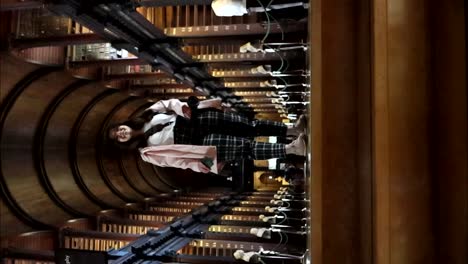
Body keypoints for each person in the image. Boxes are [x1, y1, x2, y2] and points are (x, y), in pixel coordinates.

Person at [108, 97, 306, 174]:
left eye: (119, 129)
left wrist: (182, 107)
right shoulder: (147, 153)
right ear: (123, 143)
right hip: (197, 144)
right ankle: (291, 149)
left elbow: (169, 104)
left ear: (123, 124)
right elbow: (178, 161)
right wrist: (208, 166)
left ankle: (292, 130)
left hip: (196, 120)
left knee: (248, 125)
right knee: (245, 147)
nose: (121, 133)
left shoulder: (147, 114)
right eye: (118, 137)